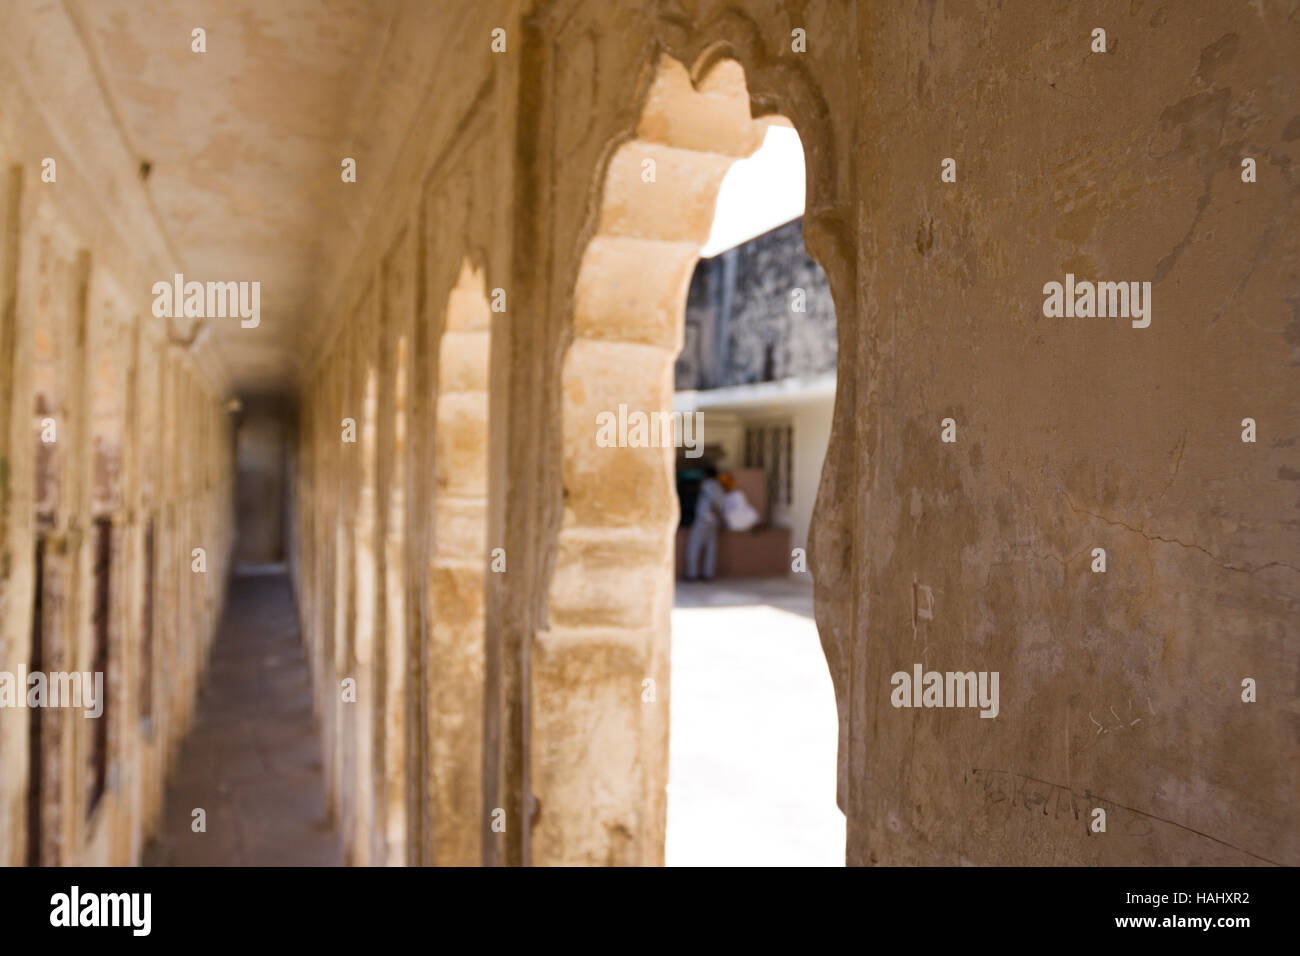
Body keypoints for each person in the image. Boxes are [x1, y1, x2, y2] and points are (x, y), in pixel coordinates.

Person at [685, 465, 724, 581]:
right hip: (714, 520)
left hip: (704, 519)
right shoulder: (719, 486)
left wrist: (711, 513)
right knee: (711, 548)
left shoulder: (707, 485)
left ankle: (692, 574)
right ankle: (708, 574)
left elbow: (714, 501)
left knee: (694, 546)